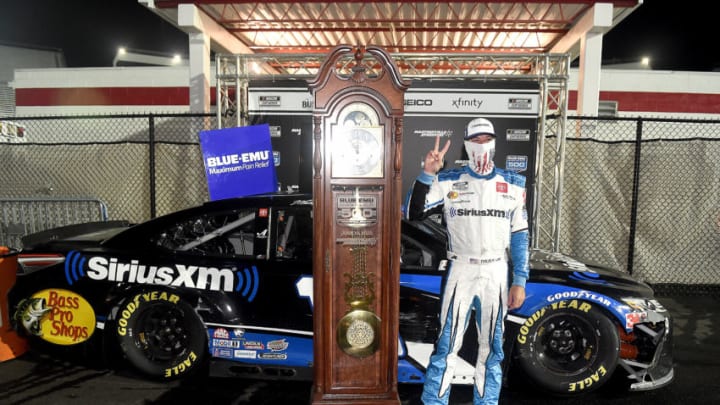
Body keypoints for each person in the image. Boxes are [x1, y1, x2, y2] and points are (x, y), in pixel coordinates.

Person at [405, 117, 529, 405]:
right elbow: (413, 214)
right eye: (476, 140)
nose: (482, 145)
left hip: (497, 271)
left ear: (495, 143)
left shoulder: (513, 183)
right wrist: (426, 174)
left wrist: (519, 280)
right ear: (466, 145)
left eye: (487, 139)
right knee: (447, 346)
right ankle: (434, 402)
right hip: (460, 269)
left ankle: (486, 402)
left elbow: (521, 236)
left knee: (492, 348)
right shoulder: (448, 180)